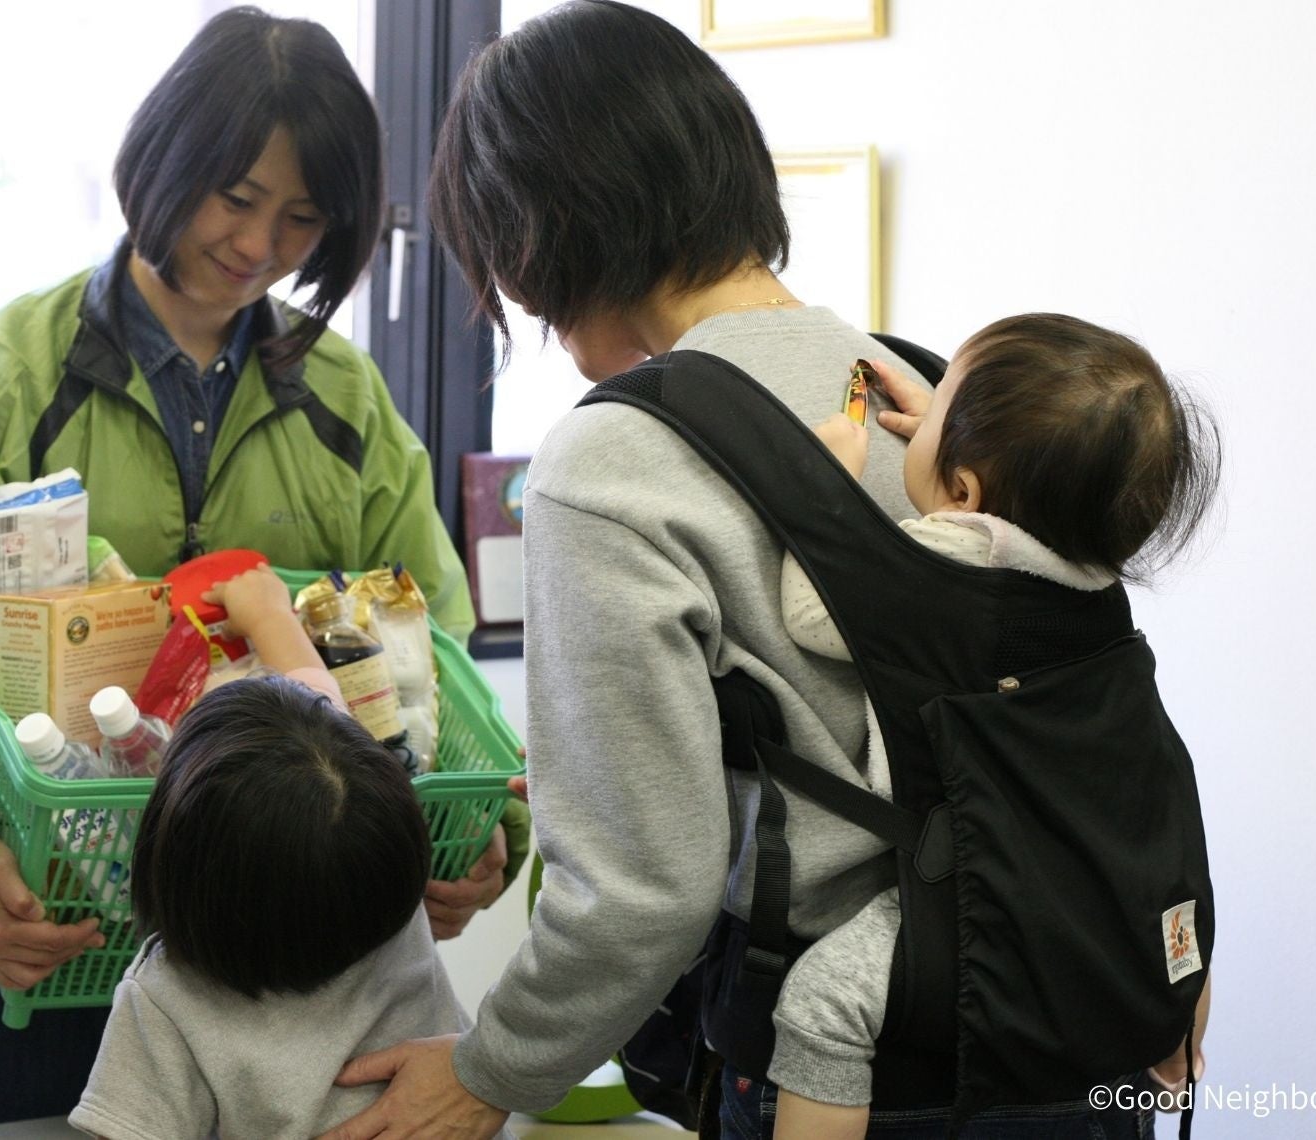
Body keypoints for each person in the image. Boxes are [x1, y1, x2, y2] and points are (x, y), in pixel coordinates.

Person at [315, 5, 1161, 1138]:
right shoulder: (926, 393)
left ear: (539, 232)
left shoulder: (614, 458)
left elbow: (640, 894)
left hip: (853, 1073)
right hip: (1066, 1021)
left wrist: (487, 1072)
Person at [0, 8, 528, 1131]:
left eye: (301, 218)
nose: (259, 246)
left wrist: (480, 842)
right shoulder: (5, 374)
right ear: (165, 159)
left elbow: (432, 649)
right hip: (44, 961)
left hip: (294, 982)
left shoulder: (342, 400)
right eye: (236, 198)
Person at [767, 314, 1220, 1139]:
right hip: (1116, 887)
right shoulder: (1092, 561)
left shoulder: (947, 560)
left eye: (942, 411)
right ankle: (1176, 1053)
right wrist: (958, 435)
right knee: (1176, 936)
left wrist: (822, 489)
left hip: (985, 889)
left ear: (965, 493)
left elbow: (810, 612)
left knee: (822, 1003)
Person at [70, 567, 518, 1140]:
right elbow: (327, 724)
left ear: (167, 860)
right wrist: (270, 618)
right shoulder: (384, 900)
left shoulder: (166, 997)